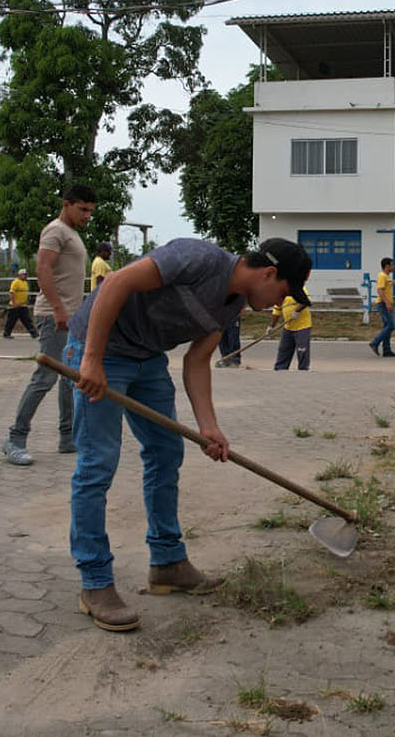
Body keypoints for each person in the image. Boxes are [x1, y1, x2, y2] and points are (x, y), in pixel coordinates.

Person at [65, 237, 312, 631]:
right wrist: (91, 359)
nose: (279, 303)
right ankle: (95, 582)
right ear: (268, 274)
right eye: (284, 292)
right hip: (101, 349)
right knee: (98, 464)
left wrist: (209, 426)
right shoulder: (197, 259)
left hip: (147, 359)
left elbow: (197, 360)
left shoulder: (232, 304)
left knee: (166, 453)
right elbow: (115, 283)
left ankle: (167, 562)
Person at [1, 185, 95, 467]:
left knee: (70, 379)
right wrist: (57, 309)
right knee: (45, 377)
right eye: (83, 209)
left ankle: (68, 437)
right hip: (54, 316)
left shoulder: (72, 233)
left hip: (71, 317)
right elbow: (43, 268)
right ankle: (15, 438)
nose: (87, 216)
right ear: (66, 204)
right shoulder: (55, 231)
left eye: (90, 211)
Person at [368, 257, 395, 357]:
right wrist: (387, 303)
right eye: (392, 265)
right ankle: (375, 342)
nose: (394, 266)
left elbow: (389, 284)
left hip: (386, 303)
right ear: (387, 266)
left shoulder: (386, 277)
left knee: (387, 326)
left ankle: (387, 350)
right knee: (391, 326)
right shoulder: (382, 276)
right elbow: (380, 290)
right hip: (383, 303)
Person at [271, 296, 312, 371]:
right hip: (288, 327)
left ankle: (303, 369)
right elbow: (276, 311)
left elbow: (306, 301)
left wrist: (297, 311)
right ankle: (280, 369)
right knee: (284, 349)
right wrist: (271, 326)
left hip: (302, 327)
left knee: (302, 350)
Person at [3, 267, 38, 339]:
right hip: (15, 305)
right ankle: (7, 333)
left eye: (25, 275)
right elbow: (12, 293)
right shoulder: (15, 282)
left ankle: (33, 333)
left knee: (27, 320)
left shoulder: (25, 283)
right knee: (11, 320)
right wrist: (14, 303)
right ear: (19, 275)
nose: (25, 276)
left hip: (23, 305)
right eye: (24, 274)